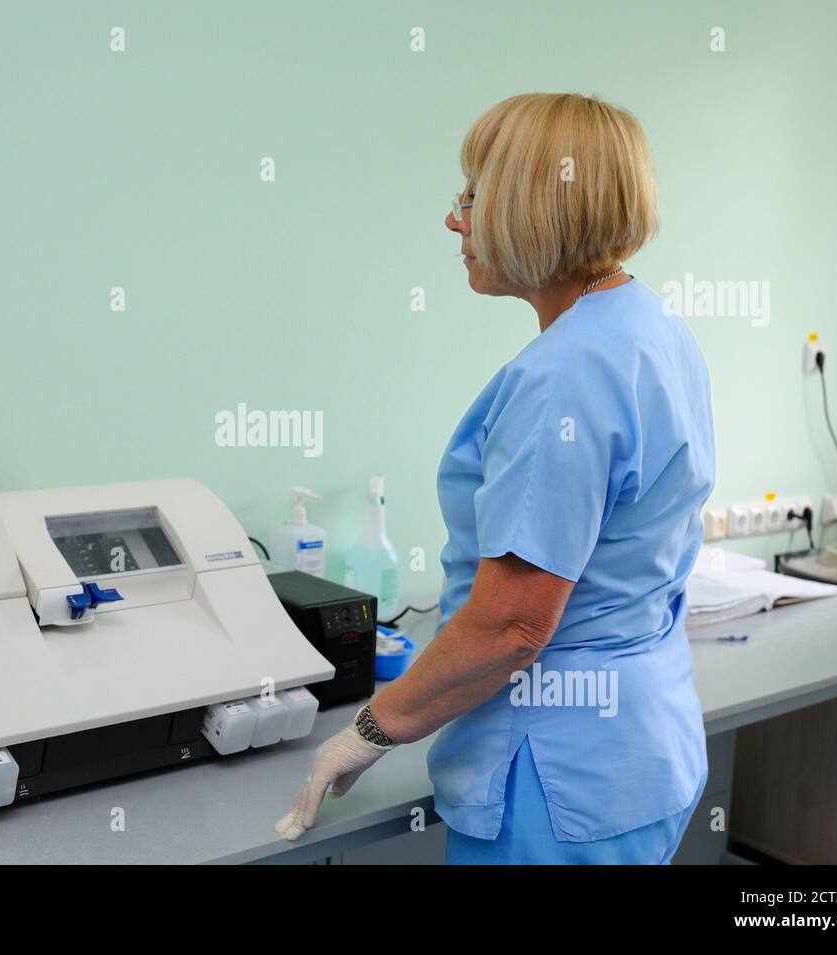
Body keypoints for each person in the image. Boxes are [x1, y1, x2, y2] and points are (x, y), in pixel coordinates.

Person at [275, 92, 715, 864]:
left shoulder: (567, 376)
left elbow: (513, 626)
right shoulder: (652, 327)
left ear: (532, 208)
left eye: (473, 197)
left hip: (559, 773)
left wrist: (367, 730)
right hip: (641, 745)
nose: (456, 220)